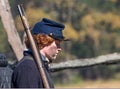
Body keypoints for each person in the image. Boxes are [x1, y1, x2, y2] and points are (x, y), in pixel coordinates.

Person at [11, 18, 68, 88]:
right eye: (57, 44)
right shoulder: (28, 67)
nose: (59, 48)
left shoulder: (39, 65)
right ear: (44, 41)